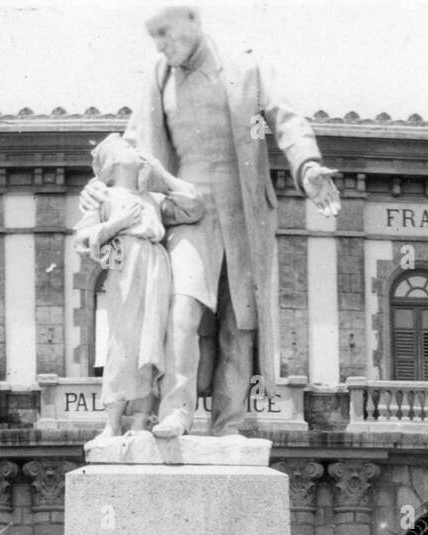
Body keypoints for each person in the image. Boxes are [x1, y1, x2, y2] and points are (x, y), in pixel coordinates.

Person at [79, 4, 340, 439]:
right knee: (181, 310)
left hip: (242, 213)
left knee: (239, 323)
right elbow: (129, 144)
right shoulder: (159, 77)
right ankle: (176, 411)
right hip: (186, 210)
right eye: (155, 38)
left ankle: (228, 425)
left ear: (192, 25)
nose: (161, 46)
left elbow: (286, 118)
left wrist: (308, 166)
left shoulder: (247, 68)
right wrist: (98, 189)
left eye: (166, 35)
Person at [74, 133, 204, 438]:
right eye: (127, 147)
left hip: (156, 263)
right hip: (126, 262)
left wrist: (162, 175)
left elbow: (194, 208)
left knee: (152, 340)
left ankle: (140, 420)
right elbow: (81, 239)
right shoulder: (103, 197)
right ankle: (112, 423)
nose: (136, 150)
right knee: (124, 339)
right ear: (113, 160)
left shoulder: (153, 198)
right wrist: (115, 225)